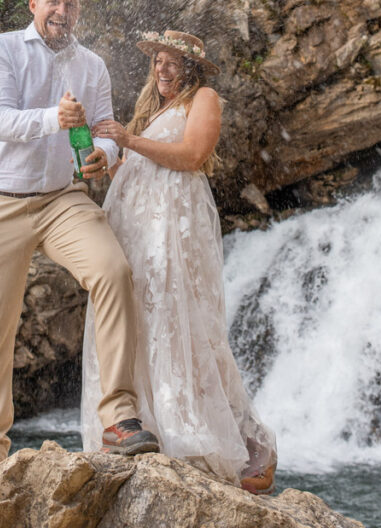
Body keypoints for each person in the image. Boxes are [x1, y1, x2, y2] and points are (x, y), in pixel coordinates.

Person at [0, 0, 159, 464]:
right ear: (34, 5)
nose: (62, 12)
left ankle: (117, 416)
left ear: (79, 11)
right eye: (53, 2)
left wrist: (104, 156)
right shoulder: (1, 49)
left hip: (61, 198)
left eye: (70, 5)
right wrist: (56, 117)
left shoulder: (91, 65)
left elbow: (105, 131)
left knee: (113, 271)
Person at [81, 29, 277, 493]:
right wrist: (104, 157)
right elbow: (131, 167)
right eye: (158, 61)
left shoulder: (203, 97)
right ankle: (144, 428)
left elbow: (192, 155)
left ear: (190, 69)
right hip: (138, 228)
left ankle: (234, 443)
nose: (162, 68)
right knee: (140, 319)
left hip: (174, 225)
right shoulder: (153, 113)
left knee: (182, 319)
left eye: (172, 61)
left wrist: (129, 138)